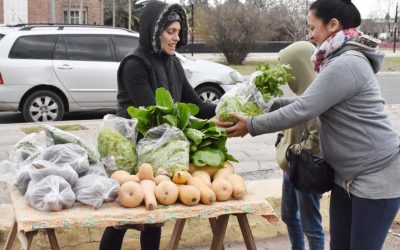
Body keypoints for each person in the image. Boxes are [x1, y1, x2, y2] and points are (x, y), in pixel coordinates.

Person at [225, 0, 400, 249]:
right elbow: (308, 102)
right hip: (346, 176)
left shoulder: (347, 62)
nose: (310, 35)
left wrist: (252, 125)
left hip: (377, 174)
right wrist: (264, 106)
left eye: (312, 28)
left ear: (332, 25)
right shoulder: (334, 59)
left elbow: (304, 108)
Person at [100, 1, 230, 249]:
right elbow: (153, 116)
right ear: (154, 31)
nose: (176, 38)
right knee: (122, 218)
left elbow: (197, 106)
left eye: (178, 32)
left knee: (154, 216)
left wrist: (225, 110)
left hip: (158, 151)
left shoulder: (174, 63)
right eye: (170, 32)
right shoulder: (134, 64)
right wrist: (195, 127)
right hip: (131, 152)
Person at [275, 41, 325, 250]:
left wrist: (292, 152)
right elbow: (289, 125)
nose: (287, 78)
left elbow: (317, 139)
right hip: (290, 169)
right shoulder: (300, 96)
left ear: (299, 67)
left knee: (311, 226)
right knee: (288, 215)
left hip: (306, 170)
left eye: (289, 70)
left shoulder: (317, 97)